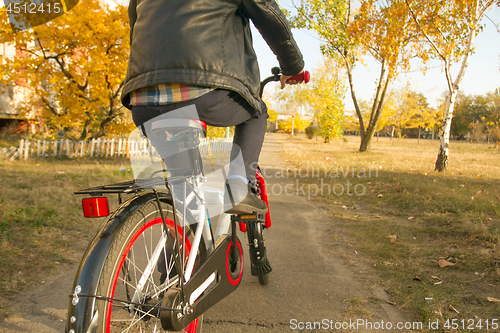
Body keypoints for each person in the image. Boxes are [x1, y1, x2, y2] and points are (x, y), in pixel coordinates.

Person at [121, 0, 304, 214]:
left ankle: (182, 236)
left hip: (143, 97)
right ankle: (238, 185)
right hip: (202, 89)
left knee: (187, 196)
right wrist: (293, 66)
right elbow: (267, 12)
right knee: (257, 112)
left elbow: (136, 27)